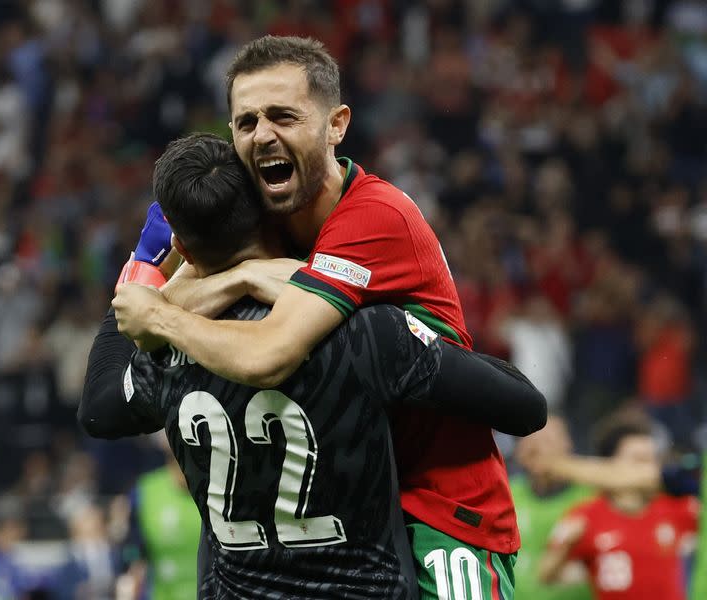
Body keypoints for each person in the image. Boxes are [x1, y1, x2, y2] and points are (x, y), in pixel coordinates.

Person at [112, 35, 522, 599]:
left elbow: (263, 353)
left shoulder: (375, 216)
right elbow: (136, 319)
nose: (263, 135)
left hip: (438, 511)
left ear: (337, 124)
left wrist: (185, 302)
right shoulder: (265, 211)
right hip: (340, 518)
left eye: (283, 116)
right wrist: (196, 280)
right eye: (246, 122)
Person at [538, 416, 699, 600]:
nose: (648, 469)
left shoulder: (678, 507)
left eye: (652, 459)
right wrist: (567, 551)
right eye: (639, 459)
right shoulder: (585, 516)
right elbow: (546, 573)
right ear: (609, 465)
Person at [510, 416, 593, 600]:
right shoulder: (508, 493)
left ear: (568, 445)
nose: (539, 449)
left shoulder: (590, 497)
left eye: (548, 441)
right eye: (531, 441)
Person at [119, 454, 201, 600]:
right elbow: (132, 546)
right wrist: (133, 568)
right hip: (160, 594)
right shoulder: (146, 491)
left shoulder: (216, 487)